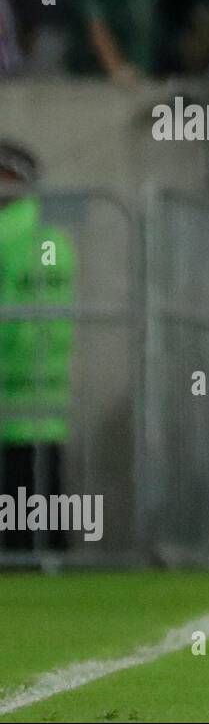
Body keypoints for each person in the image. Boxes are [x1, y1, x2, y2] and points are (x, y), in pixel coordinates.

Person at [0, 141, 75, 552]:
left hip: (11, 400)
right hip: (44, 400)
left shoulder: (9, 238)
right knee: (39, 528)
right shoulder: (54, 241)